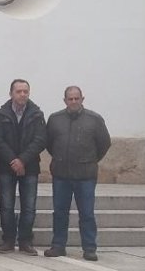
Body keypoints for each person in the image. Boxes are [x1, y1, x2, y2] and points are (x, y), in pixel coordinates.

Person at [45, 87, 111, 261]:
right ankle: (58, 245)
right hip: (61, 174)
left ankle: (89, 248)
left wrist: (89, 160)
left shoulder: (94, 119)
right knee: (59, 212)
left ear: (82, 99)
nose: (73, 102)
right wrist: (60, 158)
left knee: (87, 213)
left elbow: (104, 143)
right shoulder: (54, 119)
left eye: (76, 98)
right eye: (70, 99)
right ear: (64, 100)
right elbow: (49, 144)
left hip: (85, 175)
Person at [0, 79, 47, 256]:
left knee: (29, 206)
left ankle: (25, 241)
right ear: (11, 94)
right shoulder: (1, 114)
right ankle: (8, 239)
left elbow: (40, 140)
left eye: (25, 91)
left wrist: (22, 160)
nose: (22, 94)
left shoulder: (37, 114)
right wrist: (13, 161)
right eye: (19, 91)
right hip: (6, 166)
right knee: (6, 205)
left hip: (29, 167)